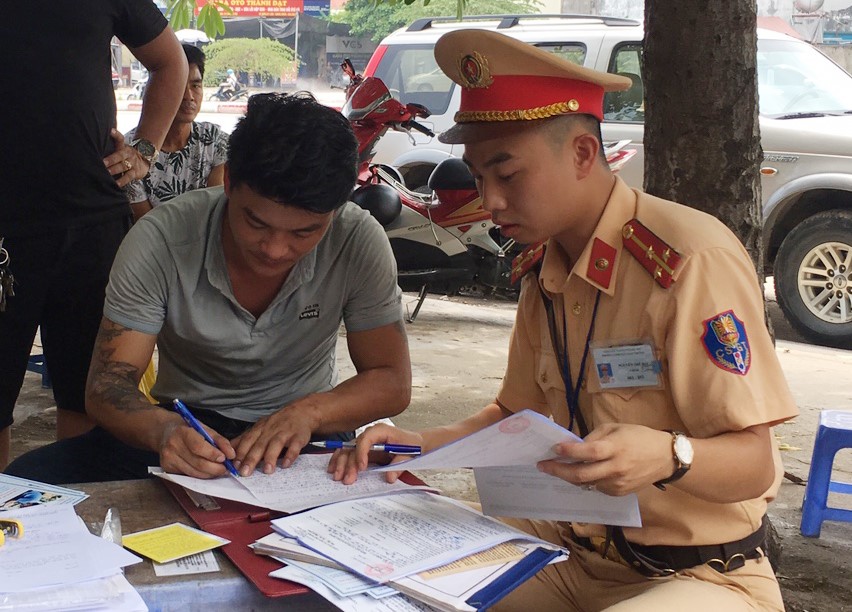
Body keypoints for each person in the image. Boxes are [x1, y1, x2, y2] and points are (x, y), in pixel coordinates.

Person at [332, 30, 798, 611]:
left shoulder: (687, 260)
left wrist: (668, 455)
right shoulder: (542, 263)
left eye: (508, 175)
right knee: (384, 594)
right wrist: (418, 444)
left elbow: (754, 463)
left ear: (581, 153)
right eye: (478, 178)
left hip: (700, 576)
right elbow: (514, 413)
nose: (491, 201)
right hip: (567, 553)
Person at [5, 92, 410, 484]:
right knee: (24, 487)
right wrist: (163, 431)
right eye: (256, 223)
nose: (274, 250)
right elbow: (107, 383)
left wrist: (309, 414)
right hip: (187, 426)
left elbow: (391, 379)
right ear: (229, 182)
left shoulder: (357, 240)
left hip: (308, 432)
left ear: (337, 209)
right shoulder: (162, 239)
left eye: (305, 232)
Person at [0, 2, 188, 470]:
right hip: (4, 233)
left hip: (93, 224)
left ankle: (78, 529)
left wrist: (144, 147)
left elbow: (171, 62)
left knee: (89, 399)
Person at [125, 44, 229, 221]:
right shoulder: (132, 152)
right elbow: (146, 225)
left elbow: (214, 213)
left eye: (196, 85)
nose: (189, 96)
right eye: (179, 86)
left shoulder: (214, 141)